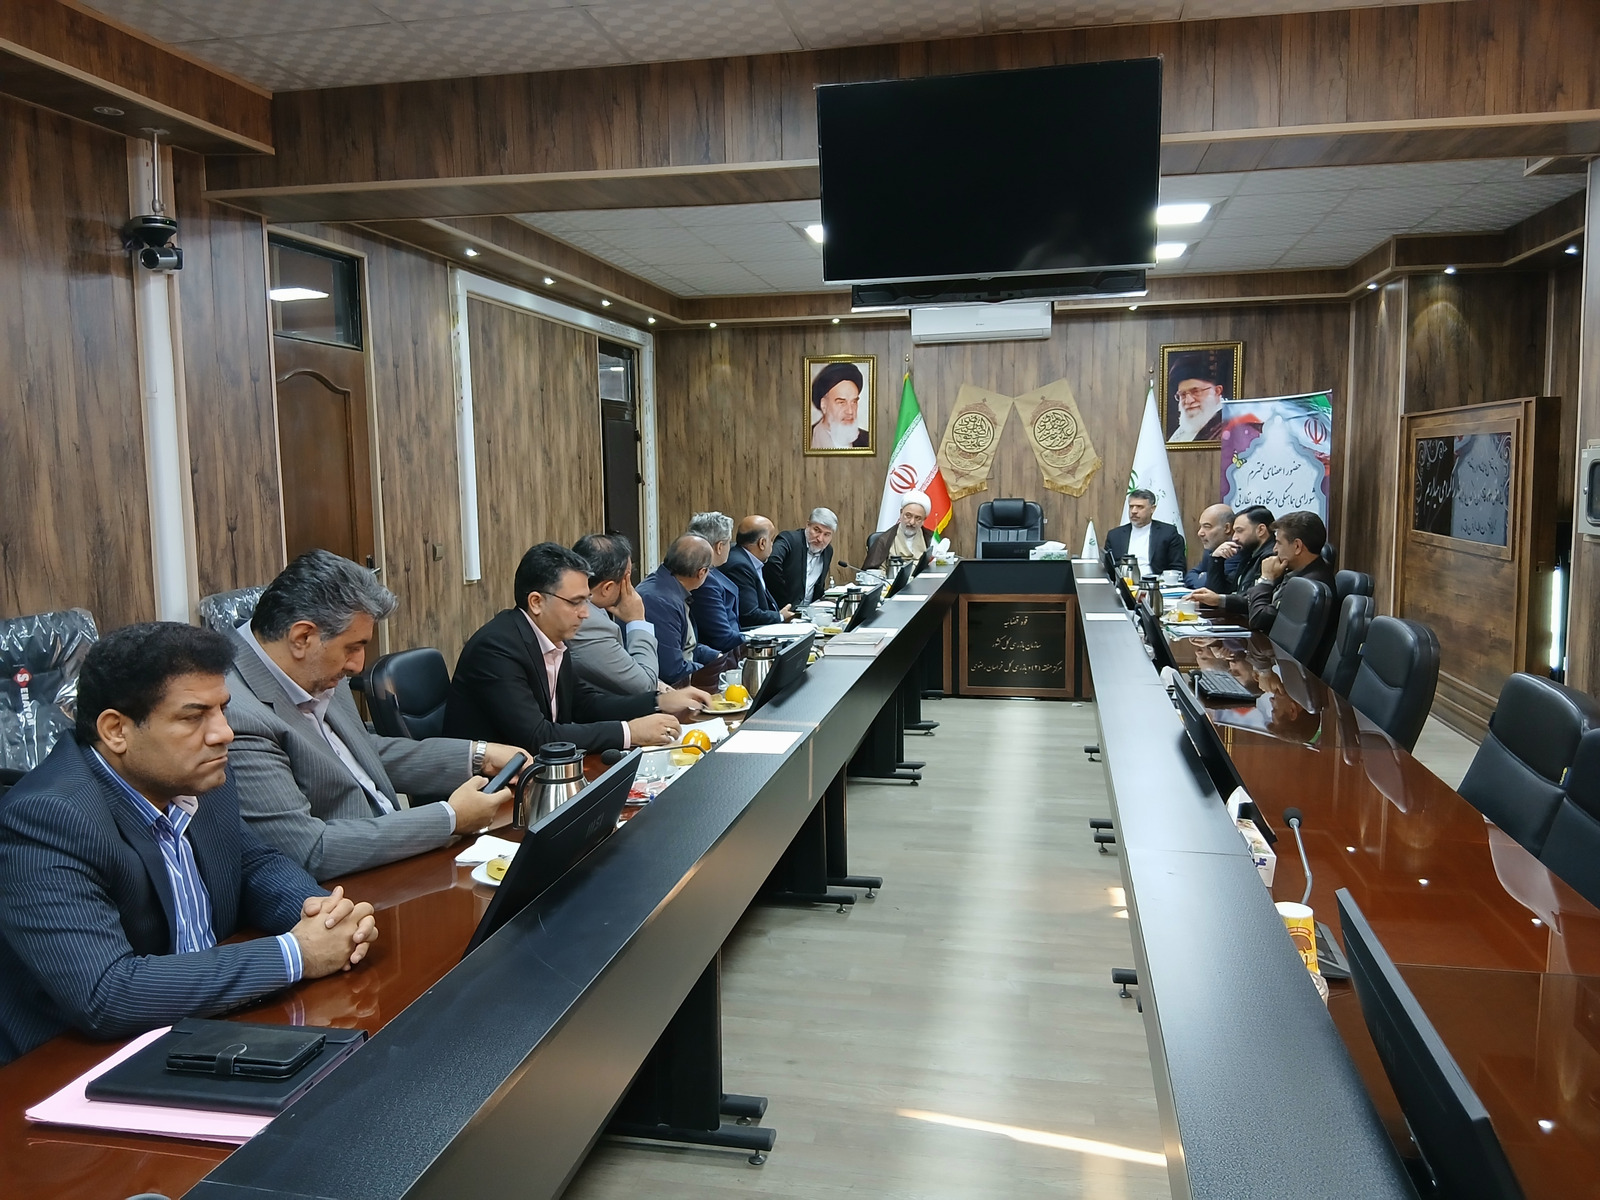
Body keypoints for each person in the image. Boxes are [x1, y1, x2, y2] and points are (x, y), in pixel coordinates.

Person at [0, 622, 380, 1065]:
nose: (223, 733)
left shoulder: (197, 773)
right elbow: (107, 992)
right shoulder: (46, 818)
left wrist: (324, 917)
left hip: (207, 1025)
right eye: (193, 716)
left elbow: (252, 864)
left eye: (222, 710)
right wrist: (297, 953)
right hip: (76, 1066)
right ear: (116, 730)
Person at [226, 551, 525, 882]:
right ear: (302, 638)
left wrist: (480, 755)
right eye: (352, 647)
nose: (358, 665)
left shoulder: (315, 666)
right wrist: (450, 818)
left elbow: (361, 752)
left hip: (397, 859)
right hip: (347, 889)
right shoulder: (235, 712)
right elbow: (308, 850)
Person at [446, 543, 698, 754]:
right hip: (487, 786)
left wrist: (657, 701)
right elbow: (537, 736)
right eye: (575, 602)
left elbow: (585, 704)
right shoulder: (497, 649)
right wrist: (629, 732)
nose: (585, 613)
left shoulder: (552, 637)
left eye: (586, 601)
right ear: (536, 602)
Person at [567, 532, 660, 699]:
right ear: (607, 588)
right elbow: (645, 686)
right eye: (627, 578)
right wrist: (638, 621)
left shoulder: (595, 608)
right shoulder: (587, 622)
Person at [636, 534, 723, 685]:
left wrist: (718, 658)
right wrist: (715, 672)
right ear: (701, 573)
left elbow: (687, 646)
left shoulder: (666, 585)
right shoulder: (660, 602)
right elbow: (672, 671)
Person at [1242, 510, 1337, 635]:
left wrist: (1266, 580)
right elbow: (1256, 602)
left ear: (1297, 546)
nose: (1274, 549)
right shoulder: (1301, 570)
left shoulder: (1307, 586)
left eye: (1278, 543)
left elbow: (1259, 620)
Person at [1187, 505, 1275, 616]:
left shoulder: (1271, 558)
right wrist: (1216, 560)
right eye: (1234, 532)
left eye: (1239, 531)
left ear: (1261, 530)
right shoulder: (1249, 554)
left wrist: (1219, 600)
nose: (1234, 538)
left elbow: (1252, 601)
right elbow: (1221, 592)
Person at [686, 512, 743, 653]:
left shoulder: (709, 572)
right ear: (719, 547)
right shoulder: (705, 581)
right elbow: (723, 638)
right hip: (720, 657)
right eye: (729, 542)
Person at [720, 516, 792, 627]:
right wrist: (780, 616)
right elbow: (749, 615)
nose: (772, 544)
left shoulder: (749, 560)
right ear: (762, 543)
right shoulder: (740, 567)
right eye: (771, 540)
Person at [1104, 489, 1186, 577]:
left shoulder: (1168, 533)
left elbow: (1177, 568)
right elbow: (1107, 568)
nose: (1134, 511)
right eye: (1131, 506)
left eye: (1140, 507)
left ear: (1152, 509)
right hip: (1123, 582)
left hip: (1156, 582)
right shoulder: (1115, 535)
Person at [766, 508, 837, 608]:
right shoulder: (789, 539)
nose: (820, 539)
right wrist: (783, 596)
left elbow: (818, 586)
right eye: (816, 530)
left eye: (826, 534)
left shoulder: (828, 551)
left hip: (810, 611)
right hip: (784, 610)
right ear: (808, 525)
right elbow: (771, 561)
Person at [1166, 349, 1231, 444]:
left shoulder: (1228, 428)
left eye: (1195, 391)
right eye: (1182, 394)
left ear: (1217, 391)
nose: (1188, 401)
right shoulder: (1183, 431)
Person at [862, 491, 931, 571]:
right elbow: (872, 571)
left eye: (917, 518)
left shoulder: (930, 539)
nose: (912, 522)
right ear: (901, 513)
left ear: (924, 519)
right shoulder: (884, 540)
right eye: (908, 516)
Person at [810, 361, 870, 450]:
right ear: (824, 405)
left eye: (854, 402)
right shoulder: (806, 438)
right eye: (841, 403)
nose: (850, 411)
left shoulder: (868, 440)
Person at [1183, 503, 1240, 590]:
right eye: (1200, 526)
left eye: (1207, 527)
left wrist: (1203, 576)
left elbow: (1215, 585)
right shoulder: (1212, 548)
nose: (1200, 533)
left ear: (1227, 528)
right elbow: (1190, 575)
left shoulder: (1235, 551)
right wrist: (1204, 577)